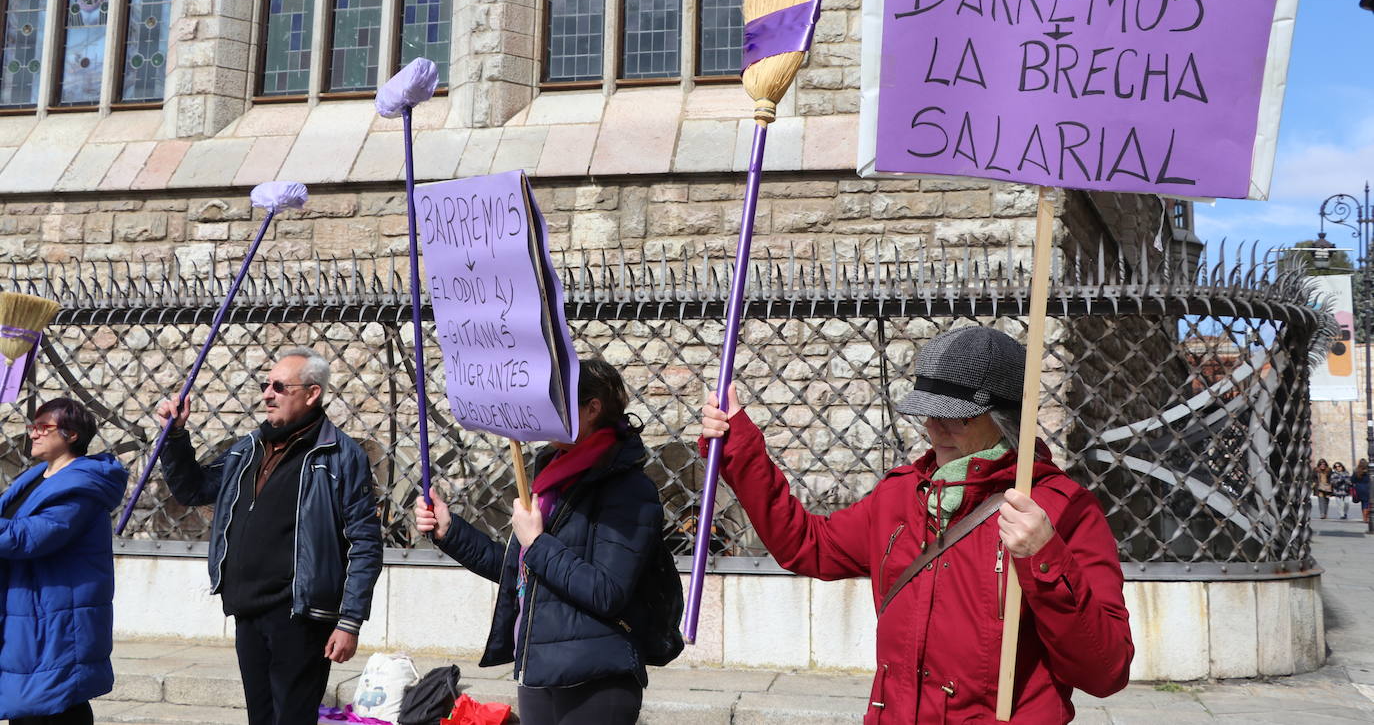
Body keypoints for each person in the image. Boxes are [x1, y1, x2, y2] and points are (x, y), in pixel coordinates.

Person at [700, 325, 1133, 723]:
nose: (933, 426)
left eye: (955, 415)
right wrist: (739, 445)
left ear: (1003, 418)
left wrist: (1045, 558)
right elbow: (805, 544)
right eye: (927, 411)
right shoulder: (900, 495)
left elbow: (1105, 671)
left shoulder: (1060, 511)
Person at [415, 358, 664, 725]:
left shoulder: (627, 488)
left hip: (594, 681)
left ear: (592, 409)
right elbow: (520, 572)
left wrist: (537, 542)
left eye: (553, 400)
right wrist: (450, 532)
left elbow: (607, 591)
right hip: (538, 672)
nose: (539, 410)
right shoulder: (552, 478)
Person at [157, 346, 382, 725]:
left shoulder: (340, 456)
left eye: (279, 386)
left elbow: (365, 544)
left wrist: (349, 621)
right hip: (248, 609)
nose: (267, 394)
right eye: (266, 384)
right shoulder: (249, 449)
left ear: (312, 393)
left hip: (301, 613)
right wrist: (176, 435)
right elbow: (192, 490)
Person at [0, 398, 128, 725]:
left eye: (44, 427)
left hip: (58, 614)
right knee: (30, 701)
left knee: (54, 701)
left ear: (71, 435)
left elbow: (31, 537)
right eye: (33, 426)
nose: (34, 434)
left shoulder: (81, 485)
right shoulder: (35, 478)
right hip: (28, 609)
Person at [1353, 460, 1370, 528]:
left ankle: (1364, 518)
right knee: (1368, 502)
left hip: (1359, 489)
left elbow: (1352, 480)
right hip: (1368, 488)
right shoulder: (1369, 471)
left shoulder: (1357, 471)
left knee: (1363, 503)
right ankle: (1367, 517)